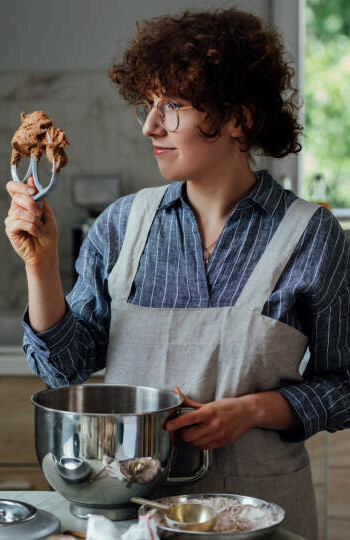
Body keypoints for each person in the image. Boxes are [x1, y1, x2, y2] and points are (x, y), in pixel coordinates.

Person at [5, 8, 350, 539]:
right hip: (132, 518)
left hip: (259, 519)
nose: (149, 126)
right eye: (148, 105)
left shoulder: (313, 236)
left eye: (172, 106)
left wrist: (256, 410)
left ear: (237, 118)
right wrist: (41, 265)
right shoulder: (122, 226)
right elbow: (65, 369)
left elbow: (345, 384)